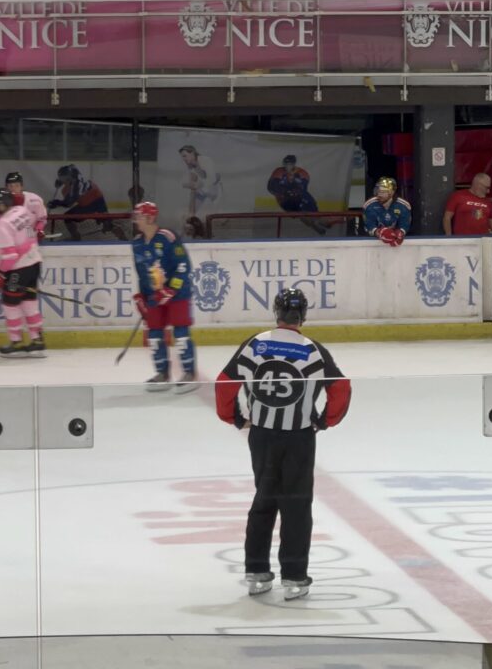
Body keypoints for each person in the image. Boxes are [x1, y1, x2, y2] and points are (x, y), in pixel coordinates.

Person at [215, 288, 351, 601]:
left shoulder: (255, 344)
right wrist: (324, 420)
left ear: (275, 313)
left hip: (262, 435)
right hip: (298, 437)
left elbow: (224, 383)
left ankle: (256, 572)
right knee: (296, 505)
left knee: (264, 499)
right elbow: (341, 389)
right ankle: (294, 577)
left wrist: (234, 417)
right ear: (303, 315)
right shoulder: (312, 349)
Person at [131, 200, 197, 393]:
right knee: (154, 336)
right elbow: (141, 272)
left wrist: (171, 290)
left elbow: (184, 266)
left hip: (178, 295)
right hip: (153, 297)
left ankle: (189, 373)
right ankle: (162, 373)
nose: (136, 220)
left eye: (139, 216)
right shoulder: (136, 243)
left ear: (151, 218)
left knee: (181, 334)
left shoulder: (168, 238)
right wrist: (142, 297)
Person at [0, 188, 45, 358]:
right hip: (35, 262)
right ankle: (37, 339)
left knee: (10, 304)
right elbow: (32, 235)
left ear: (0, 205)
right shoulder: (23, 211)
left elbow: (10, 256)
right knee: (29, 302)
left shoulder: (1, 225)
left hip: (18, 269)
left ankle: (16, 341)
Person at [47, 164, 125, 240]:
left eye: (64, 179)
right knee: (68, 217)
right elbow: (72, 166)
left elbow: (68, 203)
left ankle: (76, 236)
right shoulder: (73, 171)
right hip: (92, 198)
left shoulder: (75, 186)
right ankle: (76, 236)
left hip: (94, 201)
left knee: (107, 224)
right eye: (61, 178)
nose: (62, 181)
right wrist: (61, 180)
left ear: (69, 178)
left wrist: (56, 203)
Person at [363, 176, 411, 245]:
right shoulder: (370, 205)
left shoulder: (403, 206)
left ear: (391, 192)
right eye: (378, 191)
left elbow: (405, 224)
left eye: (383, 192)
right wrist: (379, 232)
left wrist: (401, 233)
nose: (379, 194)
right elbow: (369, 225)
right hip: (374, 245)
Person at [179, 145, 222, 218]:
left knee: (217, 215)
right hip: (202, 191)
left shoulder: (205, 160)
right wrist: (190, 184)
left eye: (185, 156)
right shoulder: (189, 166)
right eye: (182, 157)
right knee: (191, 213)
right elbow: (183, 183)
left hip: (216, 191)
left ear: (192, 153)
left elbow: (213, 179)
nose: (183, 159)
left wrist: (199, 184)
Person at [5, 172, 48, 242]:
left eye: (16, 185)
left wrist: (39, 230)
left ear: (22, 187)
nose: (13, 189)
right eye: (10, 186)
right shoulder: (3, 203)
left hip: (31, 238)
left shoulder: (35, 200)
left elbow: (42, 220)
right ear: (6, 188)